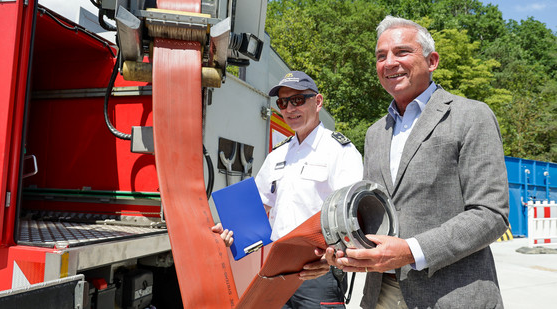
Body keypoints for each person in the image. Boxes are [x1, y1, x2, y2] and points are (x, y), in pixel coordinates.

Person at [323, 16, 510, 308]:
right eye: (381, 56)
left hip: (451, 296)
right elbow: (375, 212)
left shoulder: (471, 116)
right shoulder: (375, 133)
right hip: (380, 295)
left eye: (402, 52)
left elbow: (490, 214)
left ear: (432, 60)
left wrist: (411, 251)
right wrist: (346, 247)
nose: (389, 62)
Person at [213, 70, 364, 308]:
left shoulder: (340, 151)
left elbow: (352, 214)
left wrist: (333, 259)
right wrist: (234, 230)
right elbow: (260, 206)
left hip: (318, 271)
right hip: (277, 269)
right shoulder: (277, 155)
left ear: (318, 101)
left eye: (298, 100)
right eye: (283, 102)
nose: (289, 109)